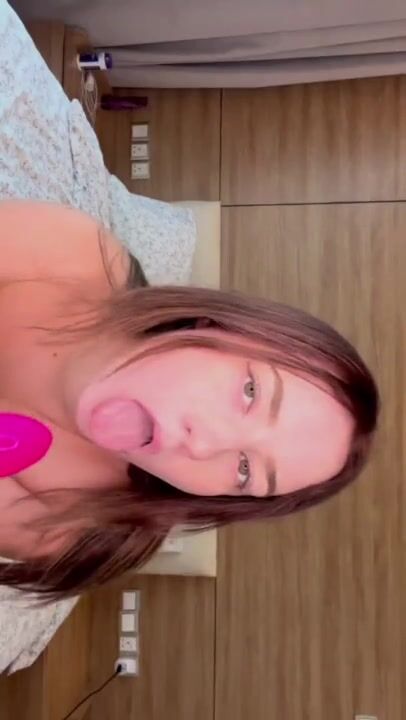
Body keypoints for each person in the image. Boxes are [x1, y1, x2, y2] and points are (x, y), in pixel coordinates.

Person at [0, 199, 379, 598]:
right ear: (219, 327)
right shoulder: (72, 256)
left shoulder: (76, 527)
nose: (203, 445)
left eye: (245, 471)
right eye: (251, 392)